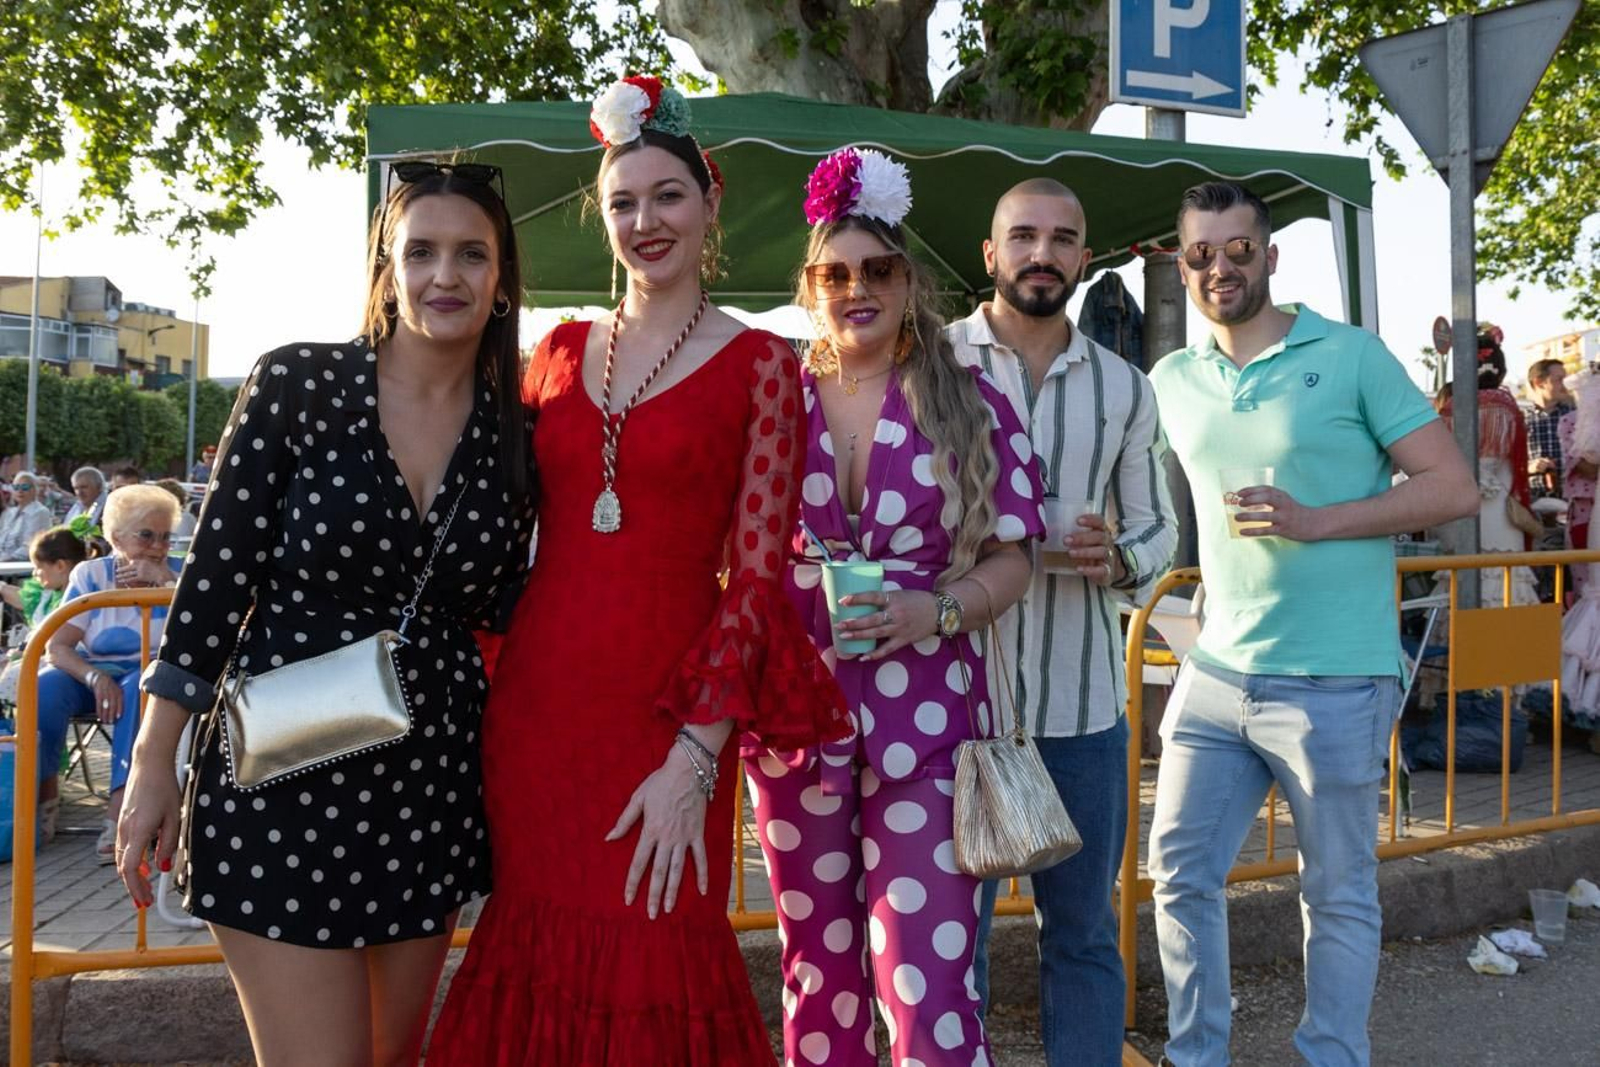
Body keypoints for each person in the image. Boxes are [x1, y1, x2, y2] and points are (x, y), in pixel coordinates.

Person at [427, 78, 845, 1065]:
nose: (644, 220)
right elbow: (490, 524)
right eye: (622, 201)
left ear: (710, 201)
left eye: (667, 196)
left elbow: (754, 582)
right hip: (537, 712)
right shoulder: (556, 351)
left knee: (656, 937)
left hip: (667, 718)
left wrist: (697, 759)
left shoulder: (765, 367)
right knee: (535, 939)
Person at [115, 161, 535, 1066]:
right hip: (284, 775)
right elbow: (213, 585)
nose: (445, 276)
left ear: (502, 281)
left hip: (427, 791)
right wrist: (155, 759)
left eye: (472, 254)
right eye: (419, 252)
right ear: (387, 267)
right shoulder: (298, 384)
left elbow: (521, 603)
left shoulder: (519, 430)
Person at [1145, 180, 1477, 1067]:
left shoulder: (1353, 355)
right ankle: (1196, 1053)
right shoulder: (1171, 379)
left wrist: (1313, 519)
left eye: (1239, 249)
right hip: (1215, 674)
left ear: (1271, 256)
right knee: (1177, 876)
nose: (1222, 267)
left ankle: (1333, 1056)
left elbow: (1454, 489)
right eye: (1202, 253)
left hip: (1335, 678)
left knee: (1336, 893)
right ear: (1182, 266)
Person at [742, 147, 1043, 1066]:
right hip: (797, 726)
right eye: (835, 273)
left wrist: (937, 612)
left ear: (910, 279)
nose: (856, 289)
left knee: (926, 979)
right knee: (815, 975)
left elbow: (1015, 559)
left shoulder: (975, 396)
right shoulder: (772, 400)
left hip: (930, 730)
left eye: (877, 270)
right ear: (809, 284)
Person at [949, 178, 1176, 1067]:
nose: (1042, 254)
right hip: (956, 705)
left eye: (1063, 239)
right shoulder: (930, 361)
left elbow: (1159, 526)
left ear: (1087, 257)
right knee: (944, 938)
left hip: (1084, 712)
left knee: (1082, 933)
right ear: (991, 253)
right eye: (1025, 236)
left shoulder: (1124, 386)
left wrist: (1117, 556)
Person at [40, 485, 182, 861]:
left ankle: (121, 815)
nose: (158, 546)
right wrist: (94, 677)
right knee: (44, 688)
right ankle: (41, 800)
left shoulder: (182, 573)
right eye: (147, 535)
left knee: (142, 684)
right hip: (96, 671)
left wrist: (166, 582)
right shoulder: (91, 575)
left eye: (166, 536)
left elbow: (203, 631)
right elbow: (57, 647)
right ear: (116, 536)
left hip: (154, 675)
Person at [0, 524, 95, 843]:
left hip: (76, 669)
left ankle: (42, 793)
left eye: (40, 568)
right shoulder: (48, 594)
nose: (36, 575)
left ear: (60, 566)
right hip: (48, 667)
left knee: (24, 684)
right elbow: (19, 599)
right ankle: (20, 779)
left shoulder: (82, 595)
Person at [1436, 327, 1539, 604]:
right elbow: (1510, 460)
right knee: (1505, 582)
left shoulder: (1450, 410)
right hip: (1500, 508)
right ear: (1500, 370)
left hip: (1458, 505)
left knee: (1462, 580)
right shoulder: (1507, 407)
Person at [1525, 357, 1572, 500]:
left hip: (1571, 498)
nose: (1566, 385)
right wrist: (1530, 467)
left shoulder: (1574, 416)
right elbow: (1508, 463)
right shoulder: (1519, 418)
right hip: (1533, 499)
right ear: (1539, 383)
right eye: (1559, 379)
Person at [0, 471, 56, 560]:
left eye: (24, 487)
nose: (20, 491)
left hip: (21, 564)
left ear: (34, 490)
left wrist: (6, 560)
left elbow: (29, 546)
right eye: (16, 487)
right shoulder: (9, 513)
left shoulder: (40, 512)